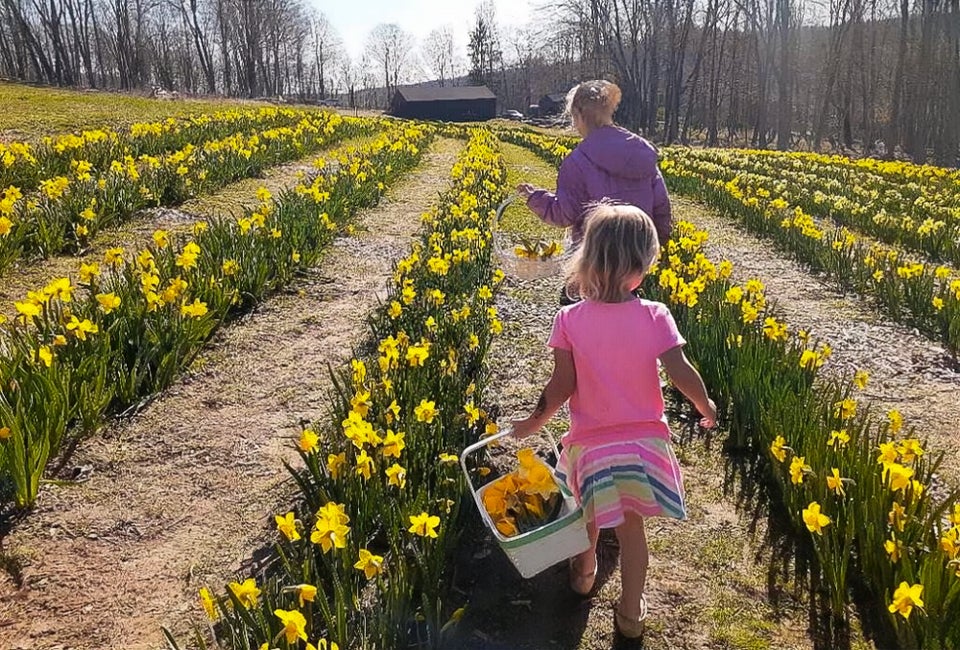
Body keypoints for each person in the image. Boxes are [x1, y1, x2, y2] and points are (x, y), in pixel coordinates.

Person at [509, 203, 717, 639]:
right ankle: (630, 614)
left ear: (585, 259)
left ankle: (584, 576)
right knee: (631, 531)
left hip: (589, 445)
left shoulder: (568, 319)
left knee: (586, 516)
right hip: (642, 445)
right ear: (640, 268)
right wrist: (705, 405)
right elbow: (680, 371)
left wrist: (531, 423)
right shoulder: (655, 315)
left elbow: (561, 384)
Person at [517, 80, 672, 249]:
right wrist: (660, 246)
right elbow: (661, 207)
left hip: (595, 258)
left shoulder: (577, 162)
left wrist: (534, 198)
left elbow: (564, 214)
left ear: (578, 117)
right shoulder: (641, 153)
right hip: (638, 255)